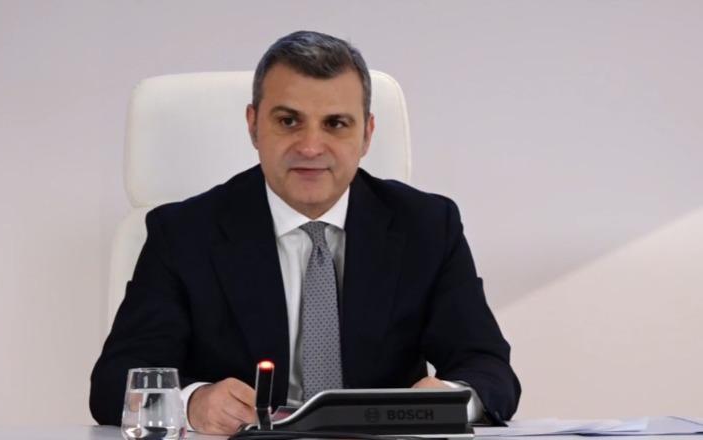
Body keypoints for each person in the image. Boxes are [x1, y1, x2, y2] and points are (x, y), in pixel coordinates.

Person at [90, 30, 520, 434]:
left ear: (367, 134)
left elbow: (488, 369)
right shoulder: (183, 233)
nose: (311, 147)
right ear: (253, 125)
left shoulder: (427, 226)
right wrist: (194, 402)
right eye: (288, 121)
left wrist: (446, 398)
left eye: (336, 124)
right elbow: (115, 381)